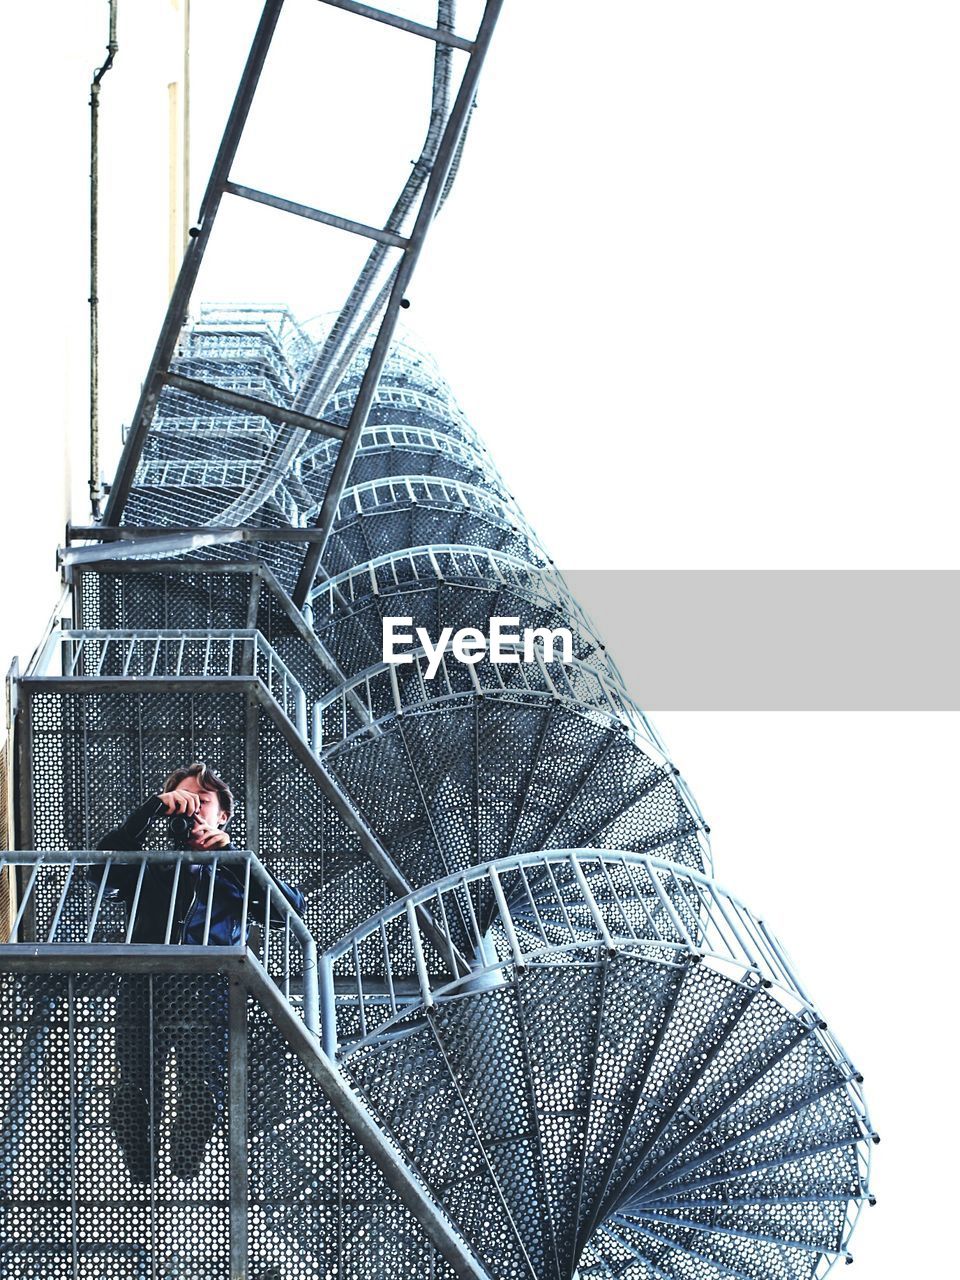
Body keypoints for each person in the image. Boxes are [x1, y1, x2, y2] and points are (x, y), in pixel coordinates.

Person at [92, 761, 305, 1184]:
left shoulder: (236, 873)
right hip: (142, 977)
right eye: (182, 802)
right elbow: (101, 872)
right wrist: (148, 812)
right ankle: (137, 1141)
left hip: (207, 981)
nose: (191, 810)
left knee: (200, 1079)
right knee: (134, 1077)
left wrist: (230, 856)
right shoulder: (150, 865)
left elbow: (289, 909)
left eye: (201, 802)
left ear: (222, 815)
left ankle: (191, 1138)